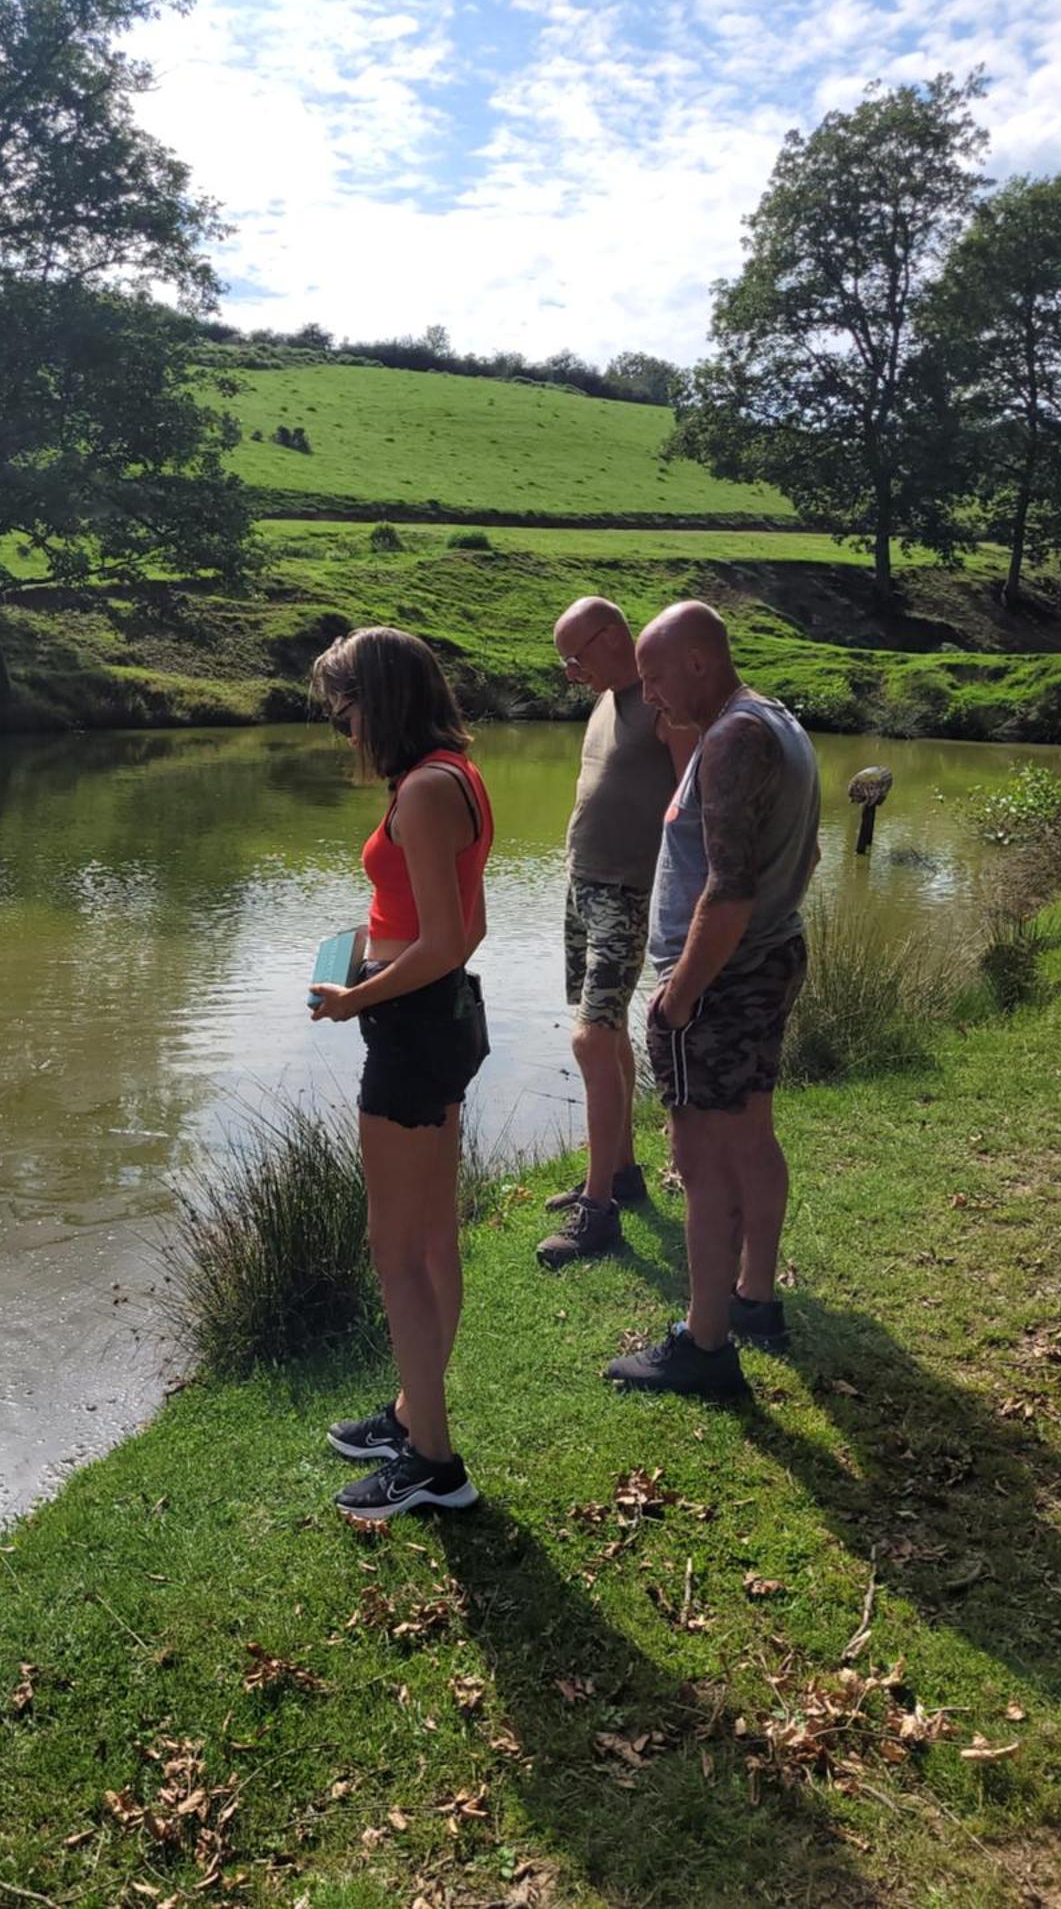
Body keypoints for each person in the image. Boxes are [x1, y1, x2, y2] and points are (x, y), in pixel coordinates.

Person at [607, 600, 820, 1398]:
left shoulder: (732, 739)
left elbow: (727, 890)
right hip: (767, 958)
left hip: (723, 977)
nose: (649, 695)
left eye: (654, 677)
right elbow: (810, 849)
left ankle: (705, 1344)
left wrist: (676, 999)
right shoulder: (777, 720)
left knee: (700, 1160)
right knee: (752, 1135)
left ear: (698, 660)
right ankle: (754, 1299)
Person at [307, 627, 494, 1518]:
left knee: (395, 1252)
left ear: (379, 703)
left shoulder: (422, 791)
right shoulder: (455, 773)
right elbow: (467, 929)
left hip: (412, 1029)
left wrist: (357, 996)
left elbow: (447, 940)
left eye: (347, 711)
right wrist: (381, 956)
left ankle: (432, 1463)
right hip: (440, 1018)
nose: (345, 731)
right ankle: (414, 1412)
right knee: (430, 1238)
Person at [538, 597, 695, 1269]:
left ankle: (598, 1210)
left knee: (591, 1039)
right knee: (604, 1029)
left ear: (610, 639)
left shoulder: (660, 702)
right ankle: (622, 1171)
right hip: (586, 886)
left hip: (630, 893)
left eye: (575, 657)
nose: (571, 673)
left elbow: (694, 799)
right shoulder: (605, 698)